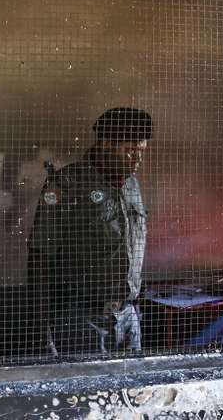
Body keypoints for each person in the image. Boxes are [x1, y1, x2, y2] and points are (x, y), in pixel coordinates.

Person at [27, 107, 152, 356]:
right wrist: (42, 334)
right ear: (106, 144)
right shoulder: (66, 183)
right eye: (130, 151)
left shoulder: (131, 185)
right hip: (82, 322)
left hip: (128, 319)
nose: (137, 160)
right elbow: (39, 259)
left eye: (141, 152)